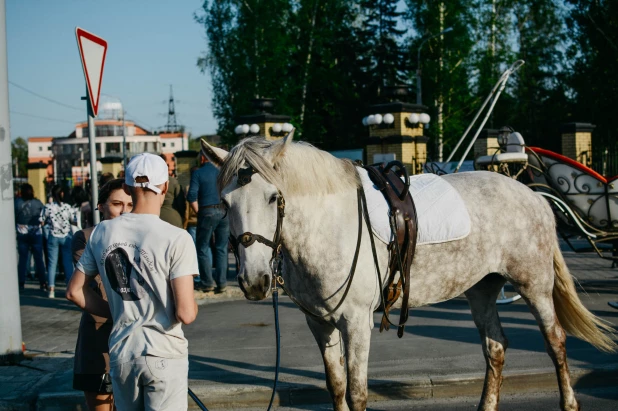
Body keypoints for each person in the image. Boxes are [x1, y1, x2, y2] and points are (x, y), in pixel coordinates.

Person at [66, 153, 198, 410]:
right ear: (165, 187)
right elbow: (186, 313)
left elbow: (74, 292)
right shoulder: (177, 238)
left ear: (126, 187)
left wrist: (116, 312)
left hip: (122, 352)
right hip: (164, 351)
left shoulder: (102, 232)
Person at [72, 179, 133, 411]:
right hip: (100, 335)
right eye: (117, 203)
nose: (124, 210)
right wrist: (122, 313)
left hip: (137, 337)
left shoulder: (144, 237)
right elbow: (88, 287)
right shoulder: (86, 237)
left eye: (130, 204)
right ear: (101, 206)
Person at [187, 152, 230, 293]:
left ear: (204, 158)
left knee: (202, 247)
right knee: (221, 248)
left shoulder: (198, 173)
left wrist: (199, 212)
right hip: (224, 211)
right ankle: (222, 283)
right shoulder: (223, 173)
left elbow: (192, 195)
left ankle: (207, 282)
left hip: (207, 210)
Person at [41, 184, 78, 298]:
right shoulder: (68, 207)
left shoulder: (48, 207)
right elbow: (74, 221)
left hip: (53, 236)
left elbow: (41, 220)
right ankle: (69, 287)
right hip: (66, 237)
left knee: (52, 264)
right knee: (67, 263)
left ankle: (51, 289)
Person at [15, 184, 47, 291]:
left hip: (22, 232)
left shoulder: (17, 202)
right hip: (36, 233)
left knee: (23, 259)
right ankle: (42, 282)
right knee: (38, 258)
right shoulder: (37, 203)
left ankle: (21, 282)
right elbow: (44, 216)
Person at [159, 155, 186, 228]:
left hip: (156, 218)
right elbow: (181, 203)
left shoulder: (150, 181)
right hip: (173, 218)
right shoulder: (173, 182)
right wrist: (183, 216)